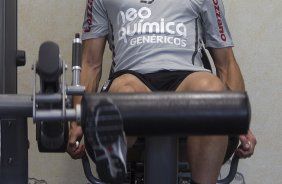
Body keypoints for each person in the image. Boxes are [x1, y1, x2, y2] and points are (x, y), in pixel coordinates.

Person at [67, 0, 257, 183]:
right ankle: (112, 157)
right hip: (132, 75)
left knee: (212, 91)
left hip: (188, 77)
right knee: (122, 94)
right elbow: (90, 63)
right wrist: (77, 118)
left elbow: (226, 62)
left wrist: (238, 116)